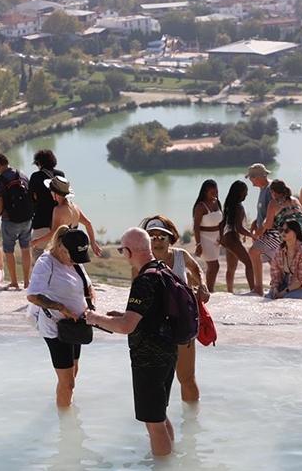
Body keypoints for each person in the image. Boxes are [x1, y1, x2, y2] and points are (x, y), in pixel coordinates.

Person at [84, 228, 178, 457]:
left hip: (148, 359)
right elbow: (149, 315)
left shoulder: (144, 280)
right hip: (168, 352)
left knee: (153, 422)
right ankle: (172, 457)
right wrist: (122, 315)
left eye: (120, 250)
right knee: (160, 414)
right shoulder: (164, 270)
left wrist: (95, 318)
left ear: (127, 251)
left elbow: (127, 327)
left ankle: (163, 464)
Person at [138, 215, 210, 403]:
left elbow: (196, 269)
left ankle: (191, 424)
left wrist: (202, 285)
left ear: (170, 238)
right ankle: (160, 423)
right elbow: (137, 293)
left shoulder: (180, 255)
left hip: (182, 325)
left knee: (186, 378)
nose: (157, 241)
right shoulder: (142, 262)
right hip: (156, 329)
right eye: (152, 237)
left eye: (162, 237)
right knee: (158, 381)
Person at [27, 226, 95, 408]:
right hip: (56, 327)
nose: (76, 261)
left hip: (76, 326)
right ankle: (65, 425)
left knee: (73, 373)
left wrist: (91, 307)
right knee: (68, 382)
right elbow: (33, 295)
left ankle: (65, 404)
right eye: (73, 257)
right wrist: (61, 308)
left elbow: (87, 287)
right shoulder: (46, 262)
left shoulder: (75, 260)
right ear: (62, 248)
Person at [29, 176, 102, 257]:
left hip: (62, 251)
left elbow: (54, 233)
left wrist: (37, 241)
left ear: (56, 193)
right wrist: (93, 242)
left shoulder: (58, 210)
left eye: (51, 190)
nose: (50, 193)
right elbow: (88, 223)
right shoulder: (74, 207)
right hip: (72, 250)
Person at [0, 154, 32, 289]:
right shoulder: (22, 175)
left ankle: (14, 281)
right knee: (26, 249)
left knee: (9, 250)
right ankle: (27, 282)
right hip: (27, 218)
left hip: (9, 220)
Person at [269, 219, 302, 300]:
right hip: (286, 283)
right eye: (281, 230)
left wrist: (285, 292)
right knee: (270, 296)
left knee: (287, 299)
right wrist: (275, 288)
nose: (283, 233)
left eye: (287, 231)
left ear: (295, 232)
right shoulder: (280, 249)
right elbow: (275, 272)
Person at [28, 149, 65, 261]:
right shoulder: (60, 175)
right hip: (59, 221)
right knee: (59, 255)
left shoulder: (36, 176)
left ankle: (42, 278)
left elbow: (31, 199)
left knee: (38, 254)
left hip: (41, 220)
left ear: (39, 163)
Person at [220, 180, 255, 294]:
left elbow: (223, 224)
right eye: (245, 192)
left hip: (228, 238)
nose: (247, 195)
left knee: (231, 268)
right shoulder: (238, 206)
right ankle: (253, 290)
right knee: (249, 263)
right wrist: (251, 234)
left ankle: (229, 292)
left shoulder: (230, 205)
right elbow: (239, 228)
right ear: (240, 192)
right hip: (233, 238)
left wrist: (222, 238)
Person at [246, 163, 275, 295]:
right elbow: (264, 212)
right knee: (271, 260)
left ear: (258, 177)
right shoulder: (263, 190)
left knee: (253, 252)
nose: (250, 180)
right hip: (265, 231)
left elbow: (272, 213)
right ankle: (278, 284)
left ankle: (258, 288)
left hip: (272, 233)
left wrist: (260, 231)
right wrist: (255, 223)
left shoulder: (269, 190)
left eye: (251, 177)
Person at [192, 179, 223, 292]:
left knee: (214, 266)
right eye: (212, 192)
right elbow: (196, 227)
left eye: (216, 192)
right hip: (205, 238)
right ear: (205, 192)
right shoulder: (201, 206)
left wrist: (222, 237)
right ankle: (209, 290)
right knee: (214, 266)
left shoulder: (217, 203)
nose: (215, 194)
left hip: (216, 238)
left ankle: (207, 289)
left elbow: (221, 223)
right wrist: (198, 244)